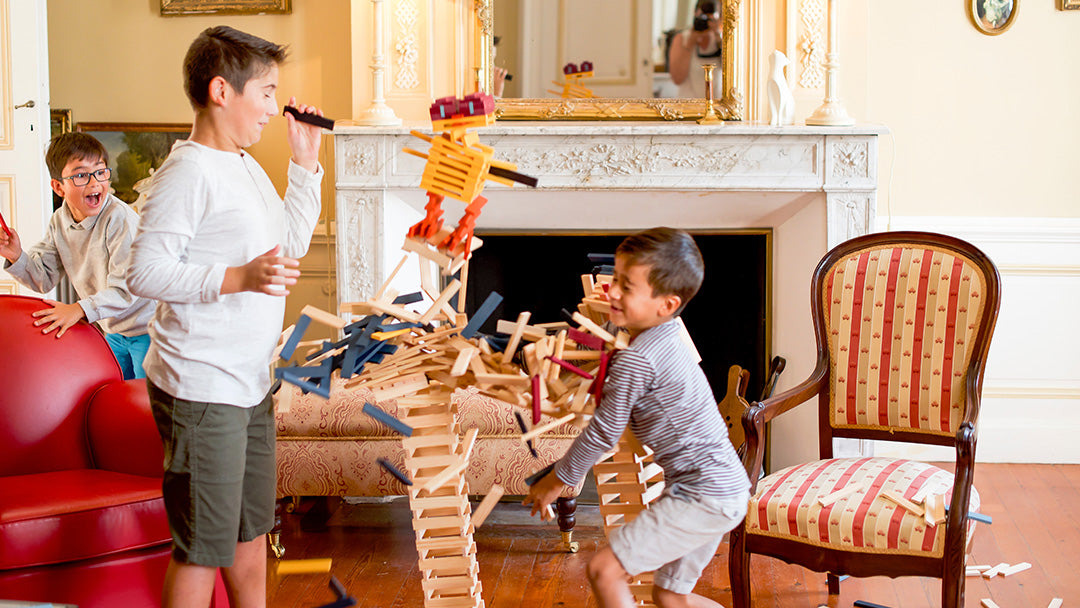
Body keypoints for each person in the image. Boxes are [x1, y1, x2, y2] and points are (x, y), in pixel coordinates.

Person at [127, 25, 325, 608]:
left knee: (248, 535)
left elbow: (285, 246)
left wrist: (305, 163)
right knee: (203, 548)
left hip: (248, 382)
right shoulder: (187, 172)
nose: (273, 107)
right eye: (266, 92)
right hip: (201, 386)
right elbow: (145, 273)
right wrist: (236, 278)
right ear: (221, 91)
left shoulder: (243, 165)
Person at [524, 227, 751, 608]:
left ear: (666, 304)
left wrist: (556, 480)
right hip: (725, 487)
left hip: (703, 494)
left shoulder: (636, 360)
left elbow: (603, 433)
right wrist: (615, 308)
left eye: (626, 288)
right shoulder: (668, 333)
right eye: (615, 279)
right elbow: (628, 334)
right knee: (669, 596)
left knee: (603, 570)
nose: (612, 292)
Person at [0, 132, 154, 379]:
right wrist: (17, 256)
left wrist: (79, 309)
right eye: (81, 175)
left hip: (150, 329)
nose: (95, 183)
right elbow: (43, 277)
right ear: (58, 187)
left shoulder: (120, 220)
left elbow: (128, 289)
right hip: (114, 329)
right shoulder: (59, 221)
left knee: (146, 404)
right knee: (115, 393)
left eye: (101, 172)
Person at [667, 0, 723, 98]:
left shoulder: (722, 41)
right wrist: (690, 43)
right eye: (703, 17)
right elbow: (677, 79)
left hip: (716, 106)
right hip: (688, 106)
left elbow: (733, 73)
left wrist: (718, 37)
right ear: (695, 13)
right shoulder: (682, 39)